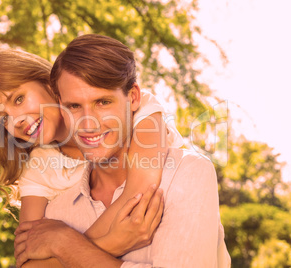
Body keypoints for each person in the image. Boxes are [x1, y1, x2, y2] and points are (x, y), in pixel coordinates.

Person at [14, 34, 231, 267]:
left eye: (103, 102)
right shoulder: (57, 215)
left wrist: (67, 245)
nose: (88, 124)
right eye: (74, 106)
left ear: (134, 98)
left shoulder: (188, 174)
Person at [0, 42, 183, 260]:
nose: (17, 120)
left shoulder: (133, 110)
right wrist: (111, 243)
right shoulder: (39, 168)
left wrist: (64, 245)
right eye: (3, 118)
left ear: (48, 84)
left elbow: (140, 191)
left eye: (19, 99)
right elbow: (27, 261)